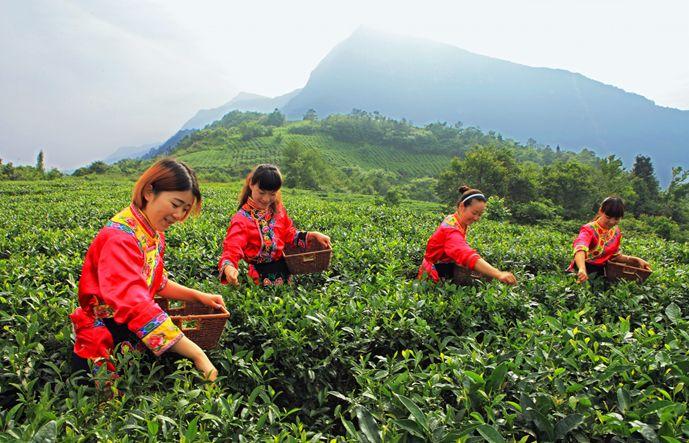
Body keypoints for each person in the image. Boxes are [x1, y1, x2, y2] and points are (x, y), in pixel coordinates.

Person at [69, 159, 224, 382]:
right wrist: (196, 353)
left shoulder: (152, 233)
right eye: (175, 204)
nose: (179, 215)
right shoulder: (120, 238)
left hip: (127, 331)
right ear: (150, 191)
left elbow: (155, 282)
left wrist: (199, 296)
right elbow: (135, 303)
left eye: (185, 209)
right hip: (103, 336)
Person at [219, 164, 331, 286]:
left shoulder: (278, 211)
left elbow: (289, 234)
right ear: (251, 184)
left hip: (285, 273)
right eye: (261, 192)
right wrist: (228, 267)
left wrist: (312, 235)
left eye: (272, 194)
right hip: (258, 280)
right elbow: (232, 247)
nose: (266, 199)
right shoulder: (242, 219)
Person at [418, 186, 517, 285]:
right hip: (432, 276)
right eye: (474, 213)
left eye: (480, 214)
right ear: (462, 206)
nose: (476, 218)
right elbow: (465, 253)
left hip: (445, 269)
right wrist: (498, 274)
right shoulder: (450, 229)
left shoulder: (458, 220)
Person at [569, 196, 651, 283]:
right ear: (601, 211)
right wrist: (581, 268)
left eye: (616, 219)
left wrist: (635, 260)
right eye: (608, 217)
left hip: (600, 273)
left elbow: (614, 256)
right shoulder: (589, 229)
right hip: (581, 270)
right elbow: (580, 248)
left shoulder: (616, 232)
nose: (612, 222)